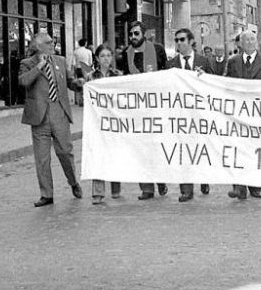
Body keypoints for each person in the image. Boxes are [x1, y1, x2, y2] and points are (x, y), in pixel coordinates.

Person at [19, 33, 84, 207]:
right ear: (38, 46)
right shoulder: (27, 64)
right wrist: (40, 65)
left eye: (53, 41)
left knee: (65, 152)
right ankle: (46, 194)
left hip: (59, 113)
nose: (52, 44)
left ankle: (73, 182)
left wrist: (80, 83)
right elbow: (24, 82)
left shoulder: (60, 61)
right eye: (48, 42)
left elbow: (70, 82)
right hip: (39, 116)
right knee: (42, 158)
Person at [117, 21, 169, 200]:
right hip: (136, 110)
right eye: (131, 34)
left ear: (144, 35)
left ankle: (161, 179)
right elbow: (124, 78)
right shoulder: (126, 54)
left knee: (156, 147)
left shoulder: (158, 49)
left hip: (156, 108)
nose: (133, 37)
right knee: (140, 149)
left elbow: (167, 73)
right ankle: (146, 188)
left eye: (136, 34)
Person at [225, 30, 261, 199]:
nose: (249, 42)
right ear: (240, 44)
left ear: (257, 42)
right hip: (238, 114)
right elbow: (225, 83)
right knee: (238, 148)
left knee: (257, 149)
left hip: (259, 113)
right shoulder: (233, 62)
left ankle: (255, 185)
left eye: (252, 39)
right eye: (246, 39)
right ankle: (239, 186)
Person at [169, 28, 214, 202]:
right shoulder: (171, 64)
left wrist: (205, 78)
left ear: (191, 41)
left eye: (182, 40)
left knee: (201, 149)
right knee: (183, 150)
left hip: (200, 115)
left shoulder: (204, 61)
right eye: (177, 40)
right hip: (180, 115)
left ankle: (203, 178)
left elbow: (214, 84)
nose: (179, 43)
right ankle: (186, 189)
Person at [86, 44, 123, 204]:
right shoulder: (91, 77)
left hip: (114, 121)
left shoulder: (118, 75)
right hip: (97, 121)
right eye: (103, 56)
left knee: (115, 153)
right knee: (98, 154)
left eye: (109, 55)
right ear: (97, 58)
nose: (106, 58)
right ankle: (98, 192)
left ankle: (116, 187)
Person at [72, 38, 93, 106]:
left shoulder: (75, 52)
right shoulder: (88, 51)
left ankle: (80, 100)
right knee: (86, 84)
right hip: (86, 69)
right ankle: (86, 100)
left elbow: (73, 63)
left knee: (79, 84)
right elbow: (90, 62)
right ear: (85, 43)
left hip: (78, 68)